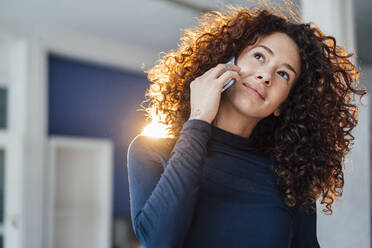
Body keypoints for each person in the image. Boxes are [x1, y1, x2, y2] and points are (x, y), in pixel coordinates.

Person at [126, 4, 367, 248]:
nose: (266, 76)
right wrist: (198, 120)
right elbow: (160, 240)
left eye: (283, 74)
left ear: (282, 105)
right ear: (228, 61)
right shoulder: (151, 151)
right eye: (259, 56)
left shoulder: (290, 179)